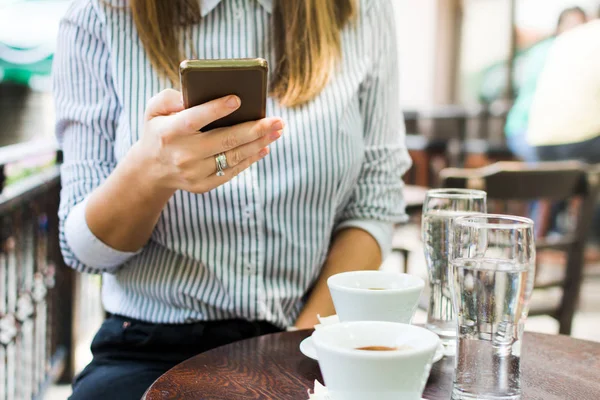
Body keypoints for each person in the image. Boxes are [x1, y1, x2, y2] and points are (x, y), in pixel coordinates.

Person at [53, 0, 410, 398]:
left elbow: (374, 204)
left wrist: (298, 345)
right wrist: (150, 172)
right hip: (151, 352)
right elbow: (83, 251)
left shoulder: (363, 10)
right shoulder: (99, 14)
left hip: (309, 343)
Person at [504, 6, 587, 162]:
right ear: (559, 28)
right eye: (572, 25)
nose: (577, 31)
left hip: (554, 131)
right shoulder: (548, 52)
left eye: (581, 26)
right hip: (526, 128)